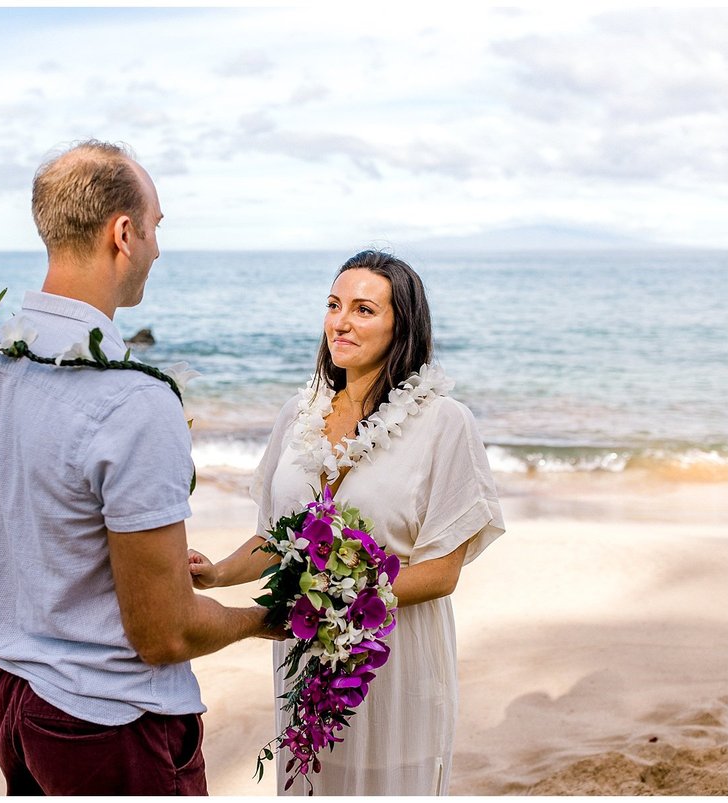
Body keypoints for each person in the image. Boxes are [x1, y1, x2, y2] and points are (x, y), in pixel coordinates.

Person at [0, 140, 279, 796]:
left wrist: (139, 568)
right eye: (155, 228)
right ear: (122, 233)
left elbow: (29, 524)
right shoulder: (132, 401)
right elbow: (164, 632)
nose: (157, 247)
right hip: (108, 725)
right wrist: (269, 617)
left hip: (13, 700)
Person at [188, 249, 505, 795]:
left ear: (400, 325)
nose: (341, 321)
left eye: (363, 309)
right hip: (305, 652)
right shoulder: (299, 412)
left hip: (394, 656)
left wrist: (336, 600)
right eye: (334, 305)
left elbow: (441, 573)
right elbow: (278, 538)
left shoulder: (443, 423)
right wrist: (217, 574)